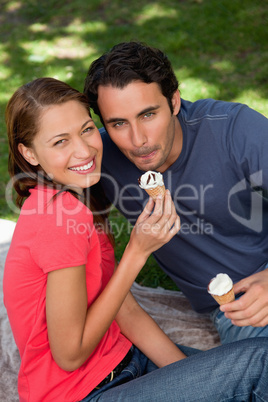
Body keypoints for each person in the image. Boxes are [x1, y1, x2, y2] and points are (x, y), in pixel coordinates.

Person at [3, 78, 268, 402]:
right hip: (83, 393)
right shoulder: (60, 217)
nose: (84, 150)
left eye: (86, 130)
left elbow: (122, 309)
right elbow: (68, 355)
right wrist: (137, 252)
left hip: (128, 364)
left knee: (241, 375)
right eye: (60, 142)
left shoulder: (73, 202)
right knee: (260, 361)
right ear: (29, 153)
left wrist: (200, 381)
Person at [84, 41, 268, 345]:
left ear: (174, 102)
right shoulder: (99, 157)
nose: (137, 140)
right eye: (118, 123)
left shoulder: (233, 129)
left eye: (148, 115)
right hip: (234, 309)